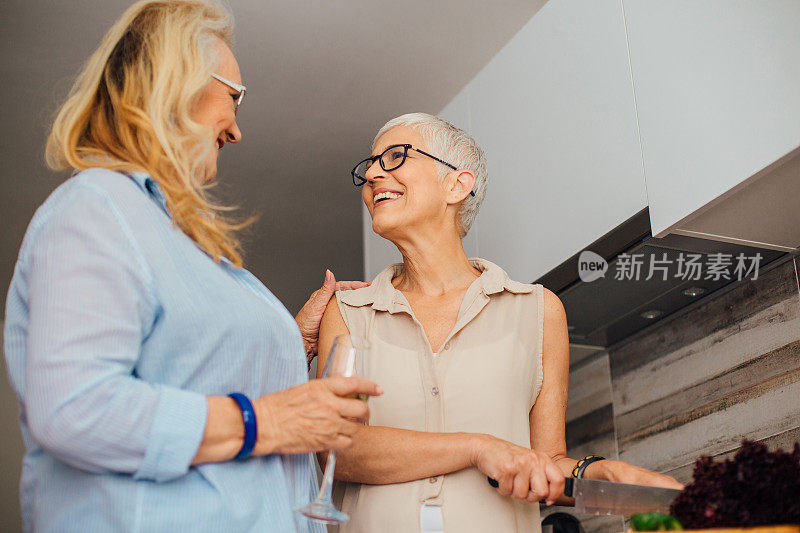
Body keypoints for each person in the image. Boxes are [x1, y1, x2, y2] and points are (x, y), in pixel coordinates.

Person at [2, 1, 380, 531]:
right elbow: (75, 408)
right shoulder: (97, 207)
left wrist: (291, 341)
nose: (237, 130)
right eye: (235, 97)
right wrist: (267, 420)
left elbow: (192, 365)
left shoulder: (178, 237)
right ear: (179, 80)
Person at [317, 113, 683, 532]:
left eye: (396, 156)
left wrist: (604, 476)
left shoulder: (538, 311)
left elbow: (544, 465)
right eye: (370, 165)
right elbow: (336, 450)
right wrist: (477, 447)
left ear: (457, 183)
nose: (374, 174)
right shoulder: (348, 312)